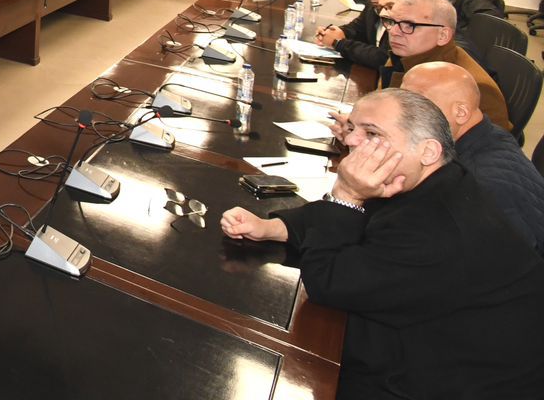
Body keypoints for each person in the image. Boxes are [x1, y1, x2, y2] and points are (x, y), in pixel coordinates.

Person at [221, 88, 544, 398]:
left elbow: (328, 282)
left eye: (372, 133)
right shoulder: (434, 178)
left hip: (453, 380)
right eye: (352, 129)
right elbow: (355, 220)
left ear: (428, 151)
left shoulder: (439, 229)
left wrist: (347, 193)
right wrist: (275, 227)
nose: (351, 140)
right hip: (424, 338)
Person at [400, 62, 544, 256]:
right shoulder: (487, 134)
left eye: (416, 106)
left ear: (461, 112)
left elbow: (498, 264)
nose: (401, 116)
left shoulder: (479, 185)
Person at [381, 0, 511, 131]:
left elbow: (486, 141)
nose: (393, 32)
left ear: (443, 35)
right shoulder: (406, 56)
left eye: (409, 25)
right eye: (391, 22)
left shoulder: (474, 86)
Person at [316, 0, 420, 68]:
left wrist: (339, 43)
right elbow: (357, 29)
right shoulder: (373, 5)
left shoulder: (411, 20)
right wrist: (334, 32)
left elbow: (385, 58)